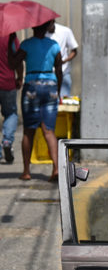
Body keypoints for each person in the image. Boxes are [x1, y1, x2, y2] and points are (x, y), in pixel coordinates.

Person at [10, 20, 63, 181]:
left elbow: (12, 63)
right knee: (49, 131)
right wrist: (58, 91)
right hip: (50, 87)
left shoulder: (26, 45)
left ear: (33, 27)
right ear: (47, 28)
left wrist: (10, 44)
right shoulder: (54, 45)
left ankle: (26, 171)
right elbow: (59, 70)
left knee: (28, 130)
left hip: (32, 86)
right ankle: (55, 168)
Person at [47, 20, 78, 98]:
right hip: (47, 75)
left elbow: (74, 50)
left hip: (63, 72)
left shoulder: (65, 31)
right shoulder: (41, 33)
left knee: (63, 101)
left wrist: (64, 61)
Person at [1, 33, 20, 163]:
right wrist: (20, 77)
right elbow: (17, 57)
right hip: (8, 82)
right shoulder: (10, 35)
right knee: (11, 113)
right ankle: (7, 141)